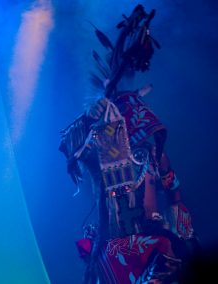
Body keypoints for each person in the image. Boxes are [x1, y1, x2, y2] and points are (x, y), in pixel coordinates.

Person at [59, 5, 199, 283]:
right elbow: (74, 151)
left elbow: (173, 190)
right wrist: (90, 118)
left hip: (152, 244)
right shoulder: (99, 146)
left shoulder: (152, 154)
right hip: (113, 247)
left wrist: (185, 232)